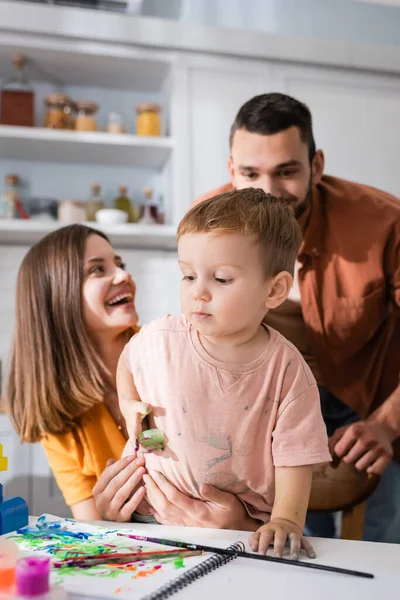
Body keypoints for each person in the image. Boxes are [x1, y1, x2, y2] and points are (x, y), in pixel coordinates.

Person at [194, 92, 400, 543]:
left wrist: (388, 422)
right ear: (232, 170)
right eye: (251, 173)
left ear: (317, 166)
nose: (267, 191)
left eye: (286, 171)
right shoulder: (204, 225)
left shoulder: (385, 221)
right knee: (298, 539)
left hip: (372, 396)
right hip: (271, 403)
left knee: (389, 538)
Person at [118, 188, 331, 558]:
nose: (198, 292)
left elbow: (296, 458)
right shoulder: (160, 338)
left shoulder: (287, 371)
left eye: (221, 279)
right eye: (188, 276)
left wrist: (286, 521)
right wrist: (128, 403)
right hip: (147, 518)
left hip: (241, 531)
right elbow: (128, 358)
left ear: (275, 289)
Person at [6, 224, 254, 529]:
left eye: (119, 263)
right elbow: (91, 527)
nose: (124, 275)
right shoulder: (55, 415)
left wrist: (239, 521)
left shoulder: (176, 350)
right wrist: (109, 517)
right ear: (55, 297)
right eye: (98, 270)